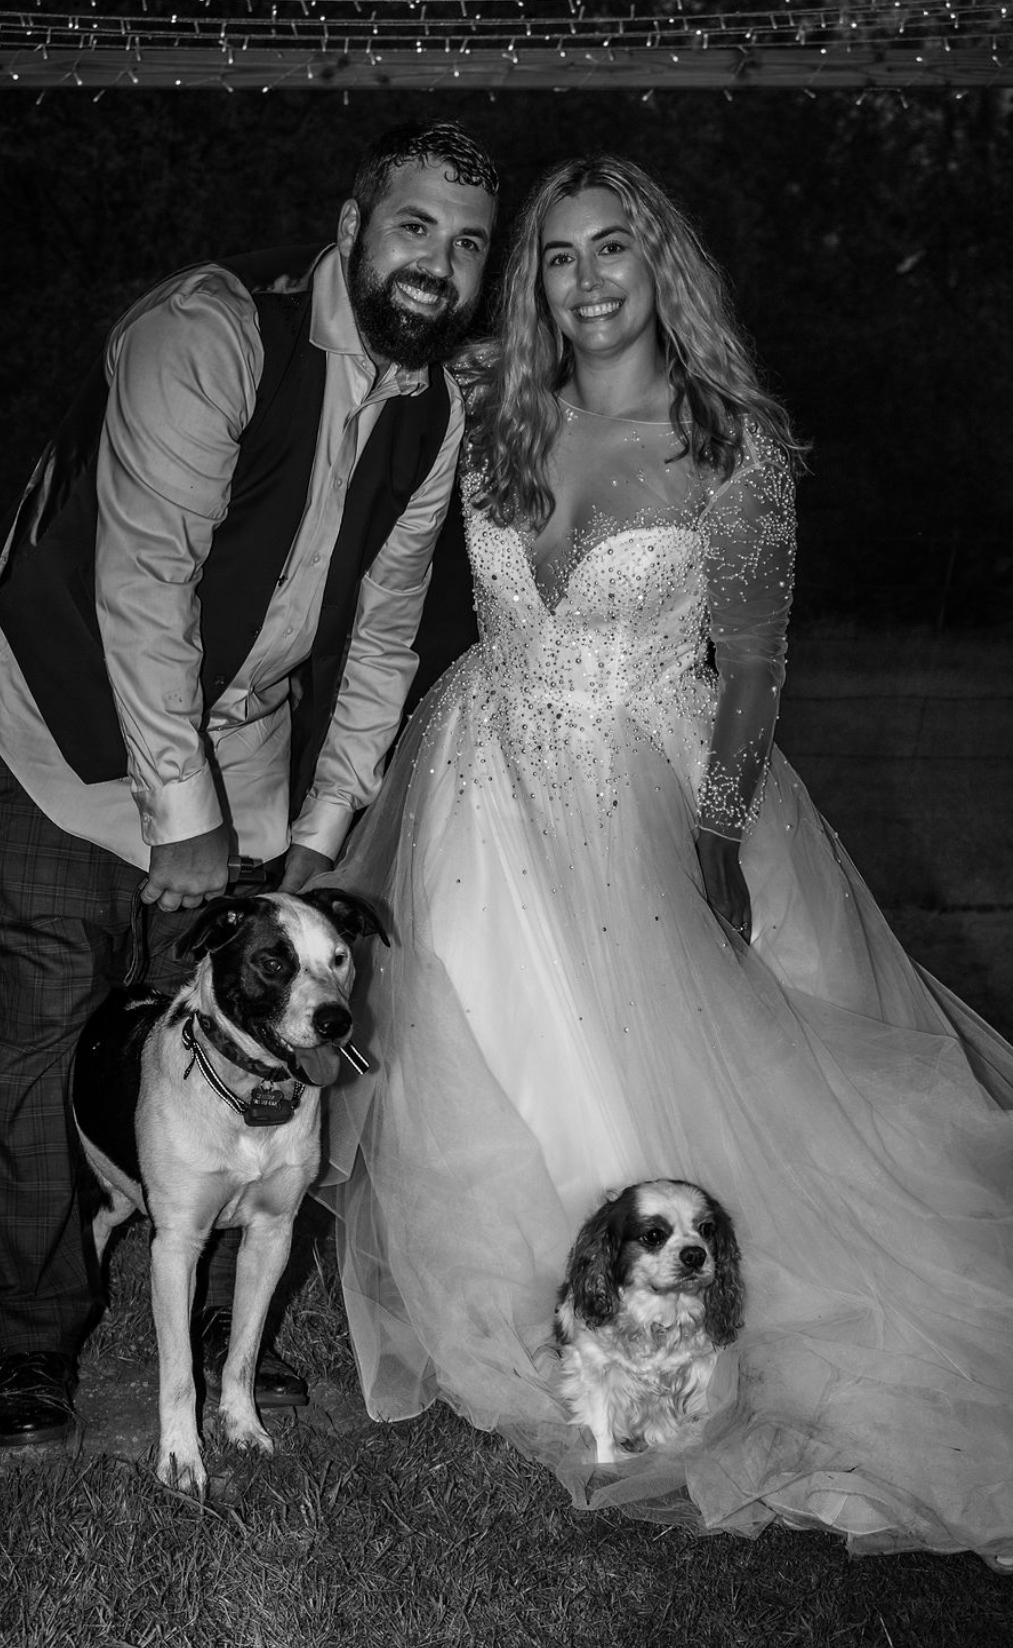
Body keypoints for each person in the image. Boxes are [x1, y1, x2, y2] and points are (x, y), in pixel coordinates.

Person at [318, 154, 1013, 1570]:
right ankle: (537, 1306)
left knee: (661, 1059)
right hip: (472, 781)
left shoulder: (728, 445)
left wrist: (713, 830)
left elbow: (753, 667)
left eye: (611, 249)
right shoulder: (488, 404)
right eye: (557, 256)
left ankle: (673, 1317)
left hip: (649, 786)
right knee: (481, 1044)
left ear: (661, 265)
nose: (584, 280)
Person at [0, 121, 499, 1449]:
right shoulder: (209, 333)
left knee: (227, 1024)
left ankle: (219, 1330)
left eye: (468, 244)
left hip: (239, 739)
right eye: (415, 226)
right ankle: (37, 1335)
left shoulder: (436, 413)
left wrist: (317, 823)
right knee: (53, 1012)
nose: (439, 264)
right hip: (65, 715)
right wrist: (179, 818)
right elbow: (142, 588)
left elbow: (386, 627)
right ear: (352, 228)